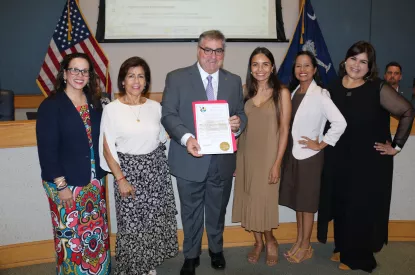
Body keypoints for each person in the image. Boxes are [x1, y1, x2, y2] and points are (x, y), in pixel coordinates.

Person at [317, 41, 415, 273]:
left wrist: (396, 146)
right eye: (354, 59)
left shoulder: (377, 88)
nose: (357, 65)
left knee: (359, 208)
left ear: (370, 67)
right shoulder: (332, 88)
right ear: (345, 60)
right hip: (338, 158)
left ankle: (358, 257)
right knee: (341, 204)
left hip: (368, 162)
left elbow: (407, 111)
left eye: (363, 62)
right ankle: (342, 246)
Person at [161, 30, 247, 275]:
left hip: (221, 160)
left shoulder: (233, 80)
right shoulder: (176, 78)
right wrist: (187, 138)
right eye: (207, 49)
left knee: (217, 209)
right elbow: (168, 114)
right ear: (198, 50)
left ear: (223, 53)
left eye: (218, 50)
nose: (213, 55)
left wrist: (238, 124)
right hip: (190, 158)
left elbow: (241, 113)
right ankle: (191, 254)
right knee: (190, 211)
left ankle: (216, 249)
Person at [99, 57, 178, 275]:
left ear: (146, 82)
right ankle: (132, 267)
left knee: (152, 223)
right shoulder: (112, 109)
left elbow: (163, 137)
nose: (136, 81)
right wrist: (121, 179)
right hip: (128, 173)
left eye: (141, 76)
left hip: (155, 172)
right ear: (122, 81)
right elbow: (107, 148)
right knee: (131, 225)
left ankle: (146, 265)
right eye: (131, 75)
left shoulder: (155, 107)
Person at [36, 53, 111, 275]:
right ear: (65, 73)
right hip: (66, 183)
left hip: (94, 182)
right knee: (71, 239)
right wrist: (61, 186)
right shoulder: (51, 106)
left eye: (85, 71)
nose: (80, 75)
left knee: (95, 235)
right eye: (75, 70)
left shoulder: (96, 103)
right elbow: (47, 150)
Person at [279, 51, 346, 264]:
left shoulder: (320, 95)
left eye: (307, 65)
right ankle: (300, 240)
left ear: (315, 69)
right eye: (298, 66)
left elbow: (340, 123)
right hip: (294, 154)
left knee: (307, 204)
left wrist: (320, 143)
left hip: (310, 157)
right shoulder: (293, 92)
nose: (302, 70)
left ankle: (306, 246)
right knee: (299, 202)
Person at [232, 47, 291, 266]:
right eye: (255, 64)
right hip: (246, 154)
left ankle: (271, 240)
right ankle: (257, 242)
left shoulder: (282, 93)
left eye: (265, 64)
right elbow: (238, 126)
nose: (260, 69)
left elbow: (285, 130)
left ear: (272, 67)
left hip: (268, 156)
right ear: (250, 67)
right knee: (248, 198)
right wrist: (235, 157)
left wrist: (277, 163)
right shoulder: (245, 90)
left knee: (263, 201)